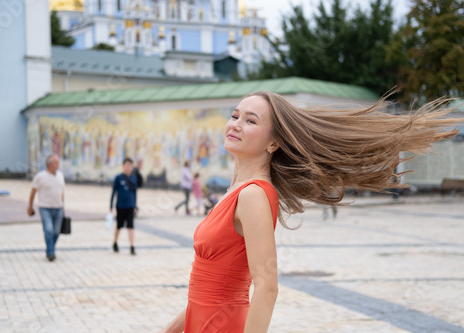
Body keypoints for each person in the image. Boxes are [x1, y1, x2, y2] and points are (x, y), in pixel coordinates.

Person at [160, 91, 460, 333]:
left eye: (250, 121)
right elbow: (206, 291)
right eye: (235, 115)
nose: (236, 123)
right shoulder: (235, 192)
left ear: (273, 142)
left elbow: (267, 287)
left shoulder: (253, 195)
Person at [27, 154, 65, 262]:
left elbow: (62, 192)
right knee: (49, 230)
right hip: (45, 208)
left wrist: (63, 206)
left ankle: (50, 248)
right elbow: (33, 192)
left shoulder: (60, 175)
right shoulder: (40, 176)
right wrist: (30, 206)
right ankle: (50, 252)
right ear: (49, 164)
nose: (58, 164)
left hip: (58, 208)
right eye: (56, 162)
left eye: (58, 162)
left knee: (57, 231)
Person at [110, 158, 141, 255]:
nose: (128, 167)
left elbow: (135, 193)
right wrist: (111, 206)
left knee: (131, 226)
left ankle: (132, 246)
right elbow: (113, 192)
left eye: (130, 166)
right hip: (120, 206)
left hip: (130, 206)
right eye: (127, 165)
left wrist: (135, 205)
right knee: (119, 226)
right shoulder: (118, 178)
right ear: (123, 166)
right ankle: (115, 242)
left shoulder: (134, 178)